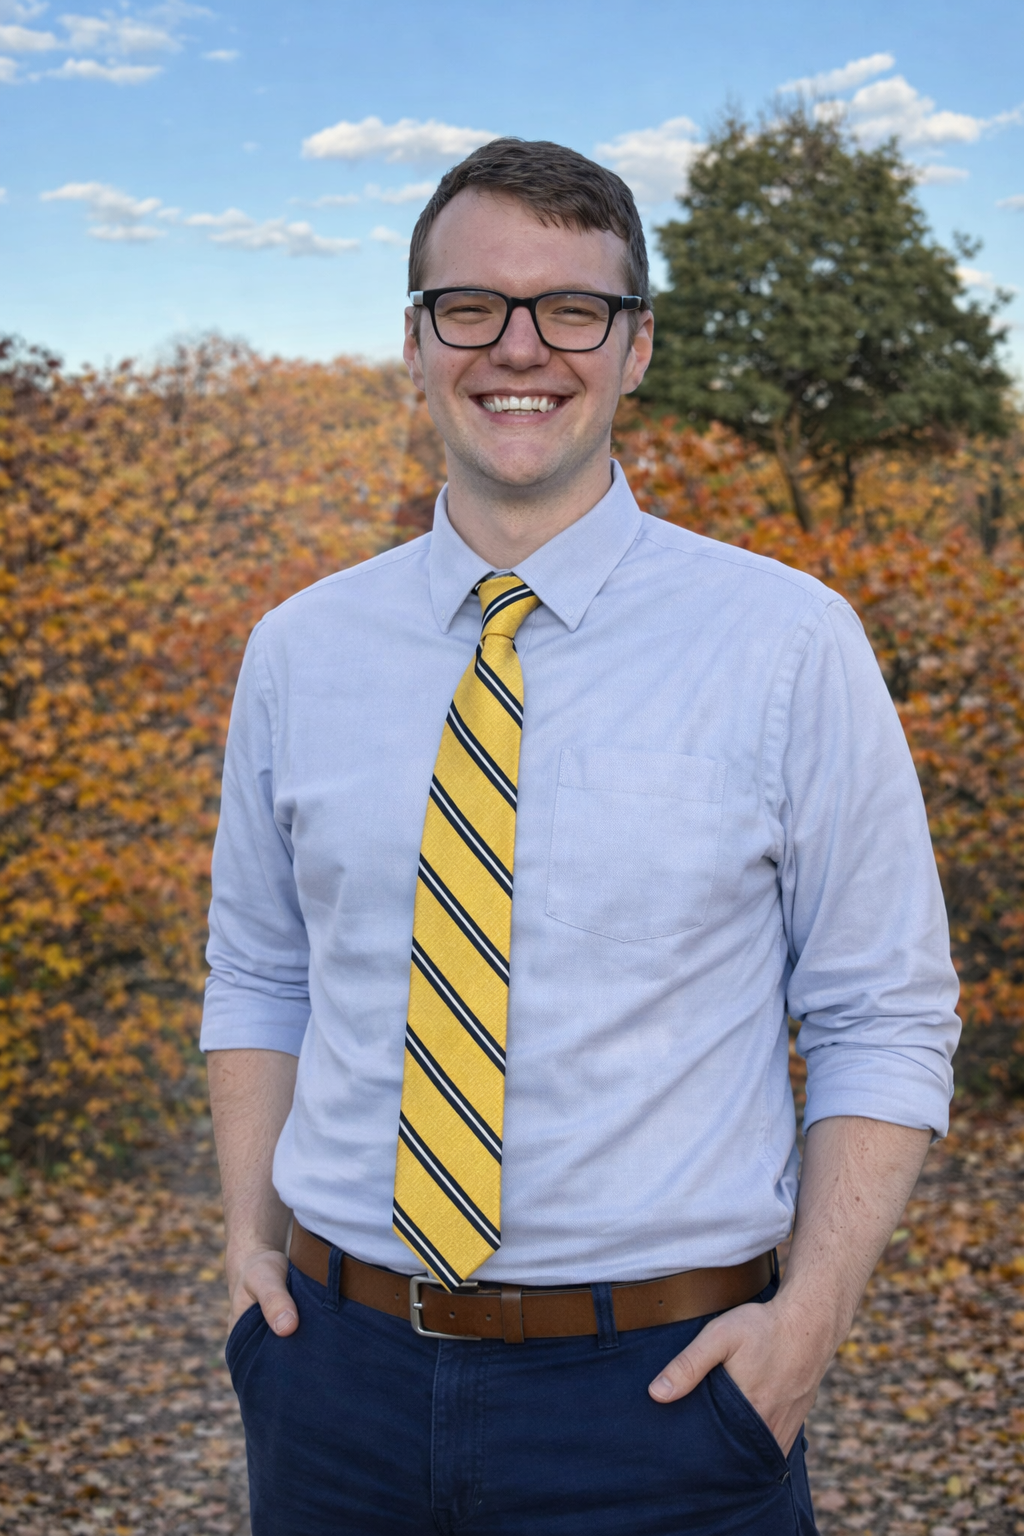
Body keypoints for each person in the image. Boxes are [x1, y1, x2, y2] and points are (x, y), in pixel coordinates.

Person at [202, 138, 960, 1536]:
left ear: (637, 346)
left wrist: (807, 1329)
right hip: (332, 1382)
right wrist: (253, 1243)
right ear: (416, 342)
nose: (521, 348)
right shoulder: (299, 650)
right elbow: (261, 972)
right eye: (472, 306)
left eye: (573, 308)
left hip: (666, 1404)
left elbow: (881, 1013)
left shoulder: (788, 644)